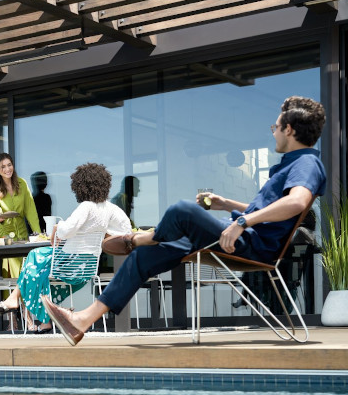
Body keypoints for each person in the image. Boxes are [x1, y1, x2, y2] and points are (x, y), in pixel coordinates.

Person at [41, 96, 327, 346]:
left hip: (250, 244)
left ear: (289, 129)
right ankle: (82, 320)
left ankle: (144, 236)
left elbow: (296, 202)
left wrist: (242, 222)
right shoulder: (293, 163)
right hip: (240, 237)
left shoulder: (306, 163)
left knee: (181, 210)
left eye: (275, 127)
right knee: (144, 257)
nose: (274, 132)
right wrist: (226, 204)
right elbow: (270, 206)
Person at [0, 163, 131, 333]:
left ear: (81, 186)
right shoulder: (110, 209)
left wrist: (57, 227)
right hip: (87, 267)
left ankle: (22, 304)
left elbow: (66, 230)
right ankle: (35, 315)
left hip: (70, 264)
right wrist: (103, 235)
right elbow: (126, 229)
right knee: (40, 269)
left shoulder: (86, 206)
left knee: (34, 257)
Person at [0, 153, 42, 279]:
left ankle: (24, 299)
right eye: (3, 167)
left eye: (9, 165)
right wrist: (1, 216)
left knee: (25, 273)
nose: (7, 169)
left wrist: (38, 234)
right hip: (3, 236)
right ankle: (9, 299)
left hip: (22, 234)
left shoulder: (22, 183)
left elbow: (30, 210)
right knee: (9, 276)